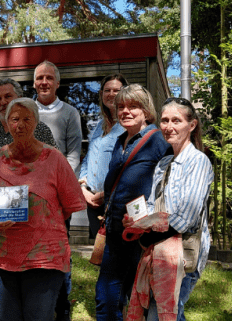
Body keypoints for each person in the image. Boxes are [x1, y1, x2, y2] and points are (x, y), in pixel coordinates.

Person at [0, 98, 86, 321]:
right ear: (7, 124)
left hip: (44, 257)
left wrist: (44, 221)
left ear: (36, 122)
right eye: (15, 119)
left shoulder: (55, 159)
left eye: (27, 119)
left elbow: (70, 205)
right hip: (3, 257)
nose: (21, 124)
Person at [0, 78, 56, 321]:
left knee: (35, 277)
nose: (3, 102)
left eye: (8, 97)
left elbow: (53, 170)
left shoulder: (41, 129)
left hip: (35, 221)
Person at [121, 97, 213, 321]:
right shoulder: (163, 163)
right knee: (161, 313)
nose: (169, 126)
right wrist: (137, 222)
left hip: (182, 254)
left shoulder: (198, 162)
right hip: (157, 251)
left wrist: (149, 233)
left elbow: (187, 218)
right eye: (164, 120)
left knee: (162, 314)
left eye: (176, 120)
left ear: (191, 125)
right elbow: (153, 205)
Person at [96, 84, 171, 321]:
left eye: (133, 106)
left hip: (141, 235)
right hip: (116, 230)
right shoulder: (120, 141)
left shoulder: (158, 139)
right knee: (107, 297)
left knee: (142, 299)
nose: (126, 111)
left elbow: (170, 183)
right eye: (121, 107)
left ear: (146, 111)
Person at [33, 61, 84, 321]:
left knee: (59, 249)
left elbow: (74, 153)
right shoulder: (23, 110)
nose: (44, 82)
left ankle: (61, 305)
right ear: (33, 83)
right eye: (39, 77)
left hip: (57, 196)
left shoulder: (70, 113)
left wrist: (58, 184)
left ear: (57, 83)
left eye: (49, 78)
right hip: (28, 197)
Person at [79, 74, 128, 238]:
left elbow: (129, 166)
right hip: (92, 201)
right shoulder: (100, 125)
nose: (111, 94)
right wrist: (83, 186)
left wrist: (106, 193)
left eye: (116, 90)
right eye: (107, 90)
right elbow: (88, 159)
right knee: (100, 256)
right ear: (101, 94)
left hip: (115, 202)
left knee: (117, 256)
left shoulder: (130, 125)